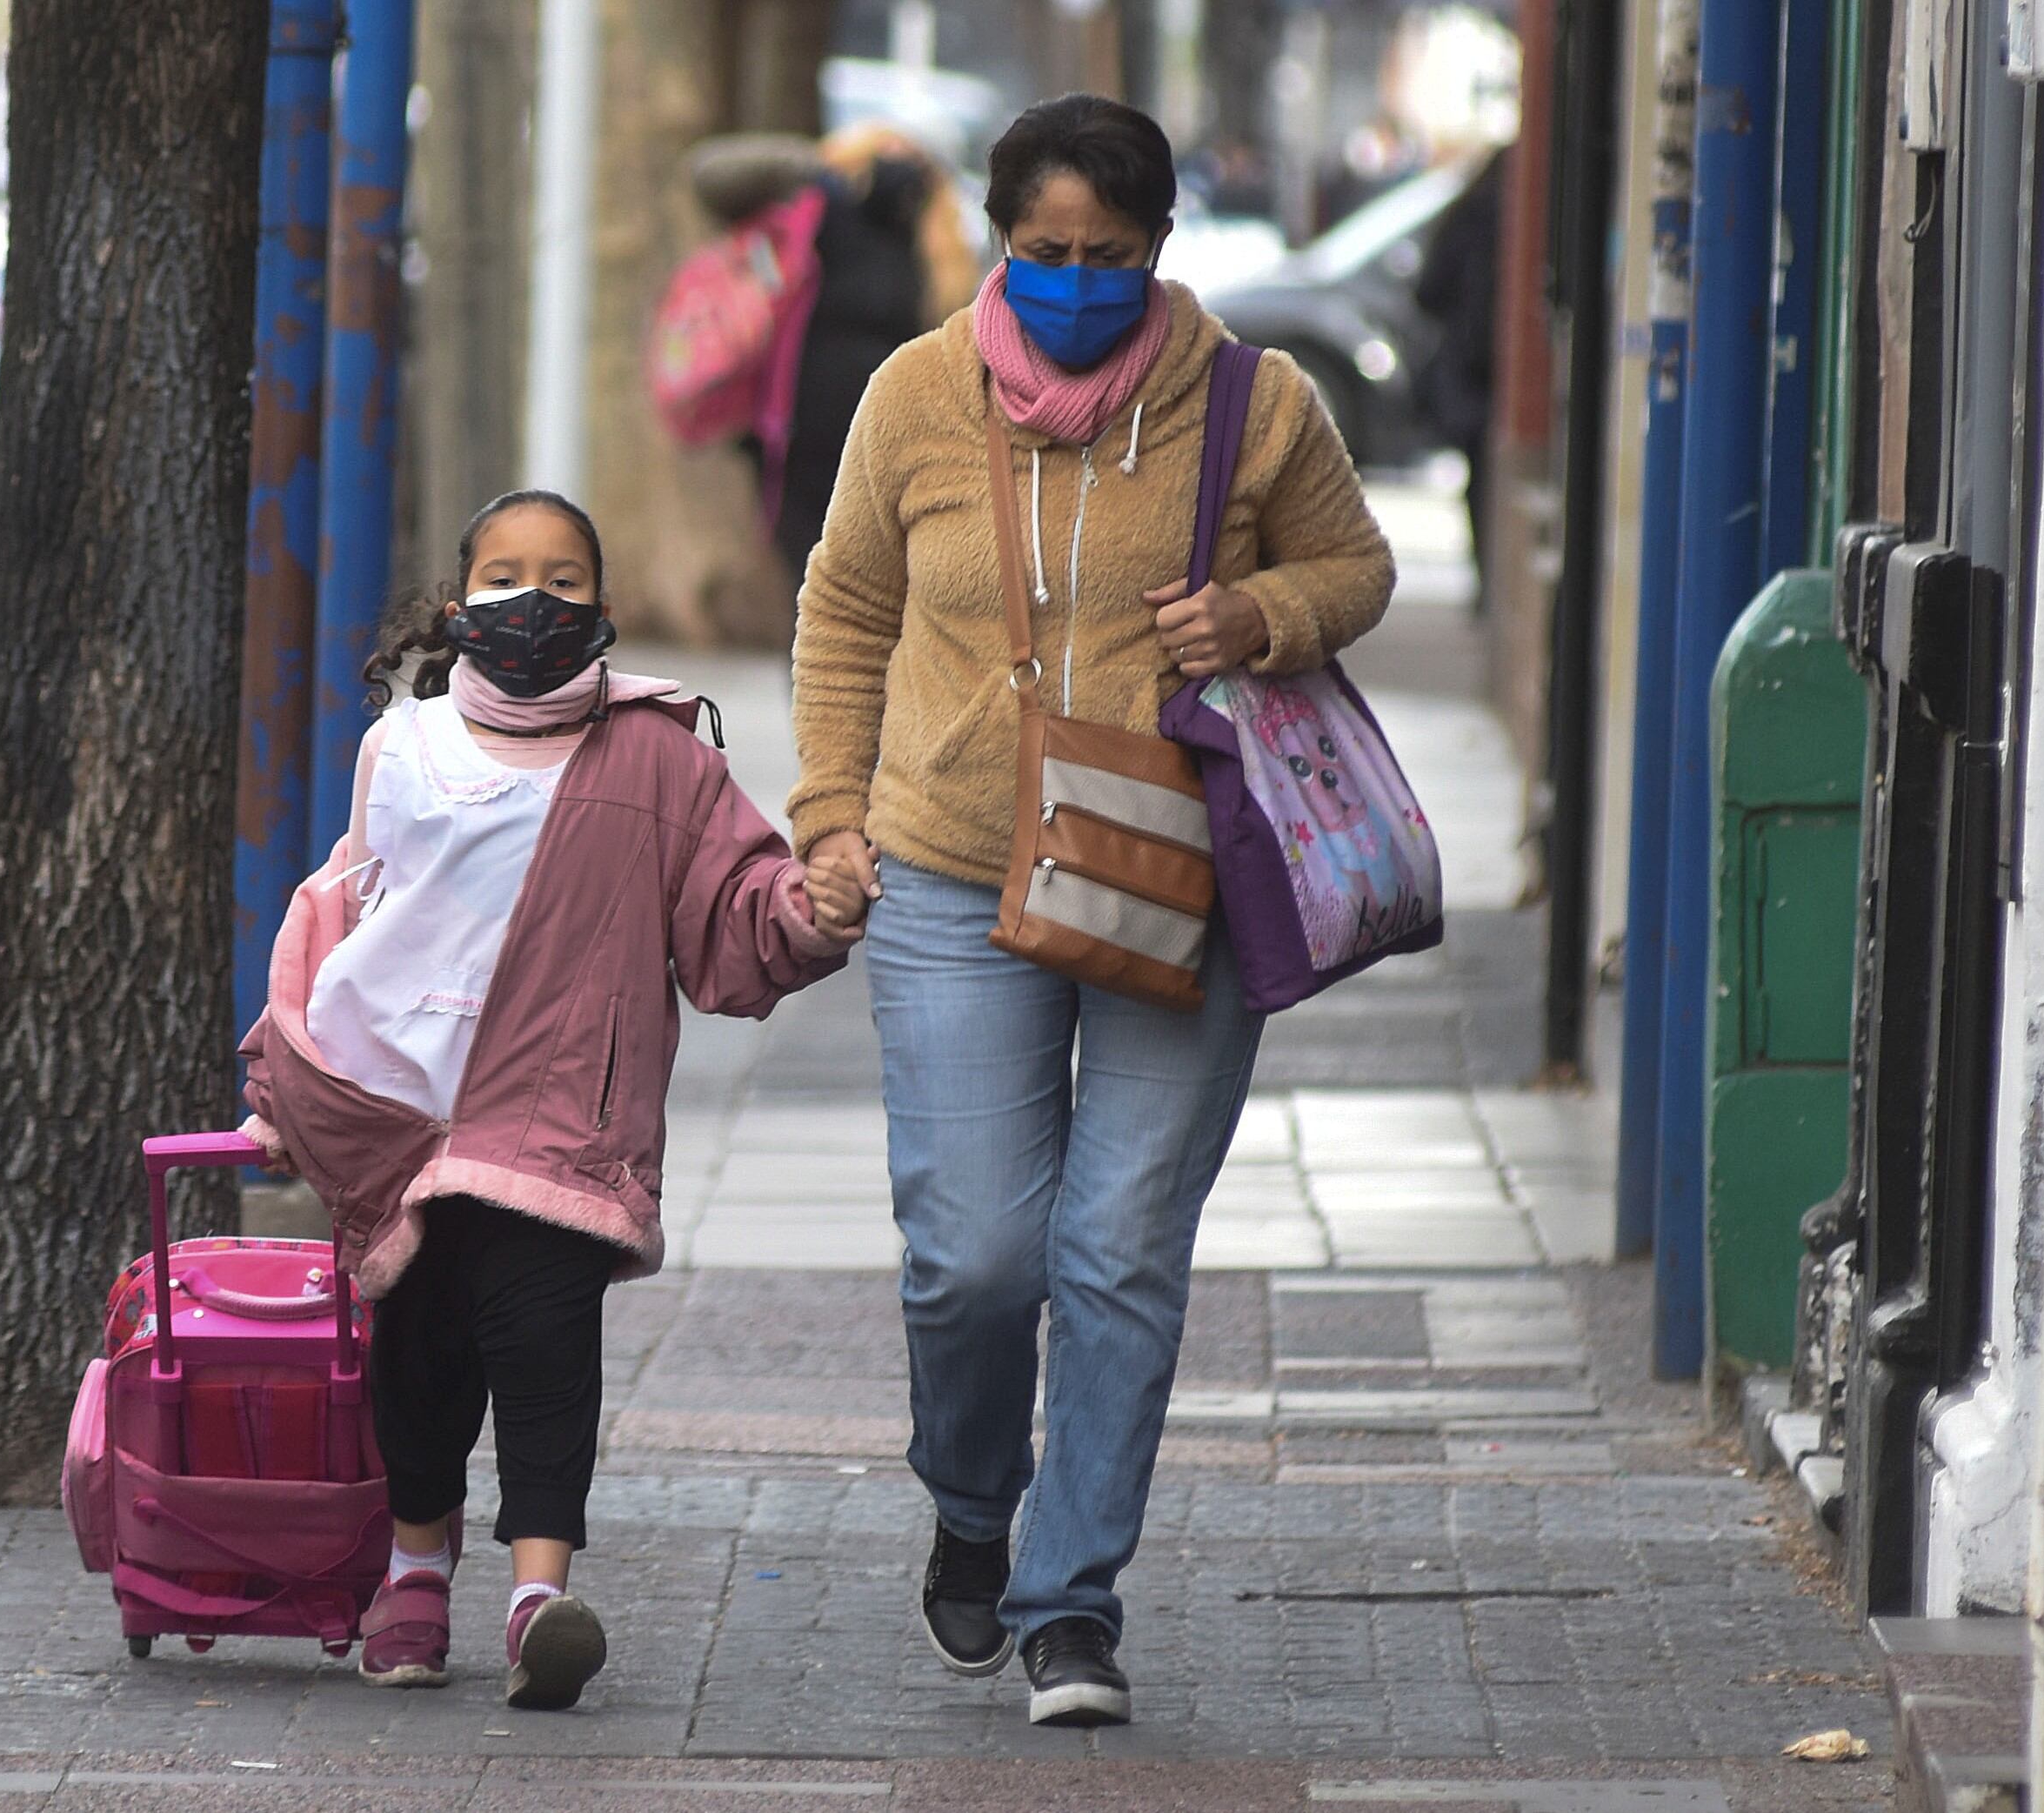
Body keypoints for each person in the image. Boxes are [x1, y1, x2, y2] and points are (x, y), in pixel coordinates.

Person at [788, 95, 1397, 1728]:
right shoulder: (912, 396)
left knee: (1120, 1246)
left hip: (1174, 870)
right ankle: (974, 1505)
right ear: (999, 240)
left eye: (1105, 257)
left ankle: (1071, 1600)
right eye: (1042, 254)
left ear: (1159, 247)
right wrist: (830, 815)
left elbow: (1357, 571)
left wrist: (1259, 611)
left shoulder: (1256, 407)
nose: (1070, 282)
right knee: (976, 1253)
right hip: (946, 865)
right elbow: (843, 611)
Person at [239, 490, 865, 1710]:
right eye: (509, 575)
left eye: (566, 581)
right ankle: (413, 1569)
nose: (537, 601)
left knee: (542, 1352)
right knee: (413, 1367)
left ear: (606, 612)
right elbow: (343, 912)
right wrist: (294, 1088)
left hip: (561, 1122)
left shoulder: (664, 761)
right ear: (457, 606)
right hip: (403, 1131)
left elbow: (731, 920)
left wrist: (812, 911)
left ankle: (538, 1596)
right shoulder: (399, 749)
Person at [688, 124, 981, 585]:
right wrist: (815, 167)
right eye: (881, 159)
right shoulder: (818, 215)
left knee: (857, 582)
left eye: (908, 166)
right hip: (803, 439)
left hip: (882, 441)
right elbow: (711, 176)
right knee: (820, 578)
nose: (894, 174)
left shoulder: (933, 247)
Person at [1413, 146, 1507, 604]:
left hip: (1471, 369)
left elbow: (1428, 291)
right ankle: (1489, 579)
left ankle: (1486, 579)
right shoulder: (1506, 222)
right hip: (1485, 369)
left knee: (1478, 476)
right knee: (1485, 474)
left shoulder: (1467, 215)